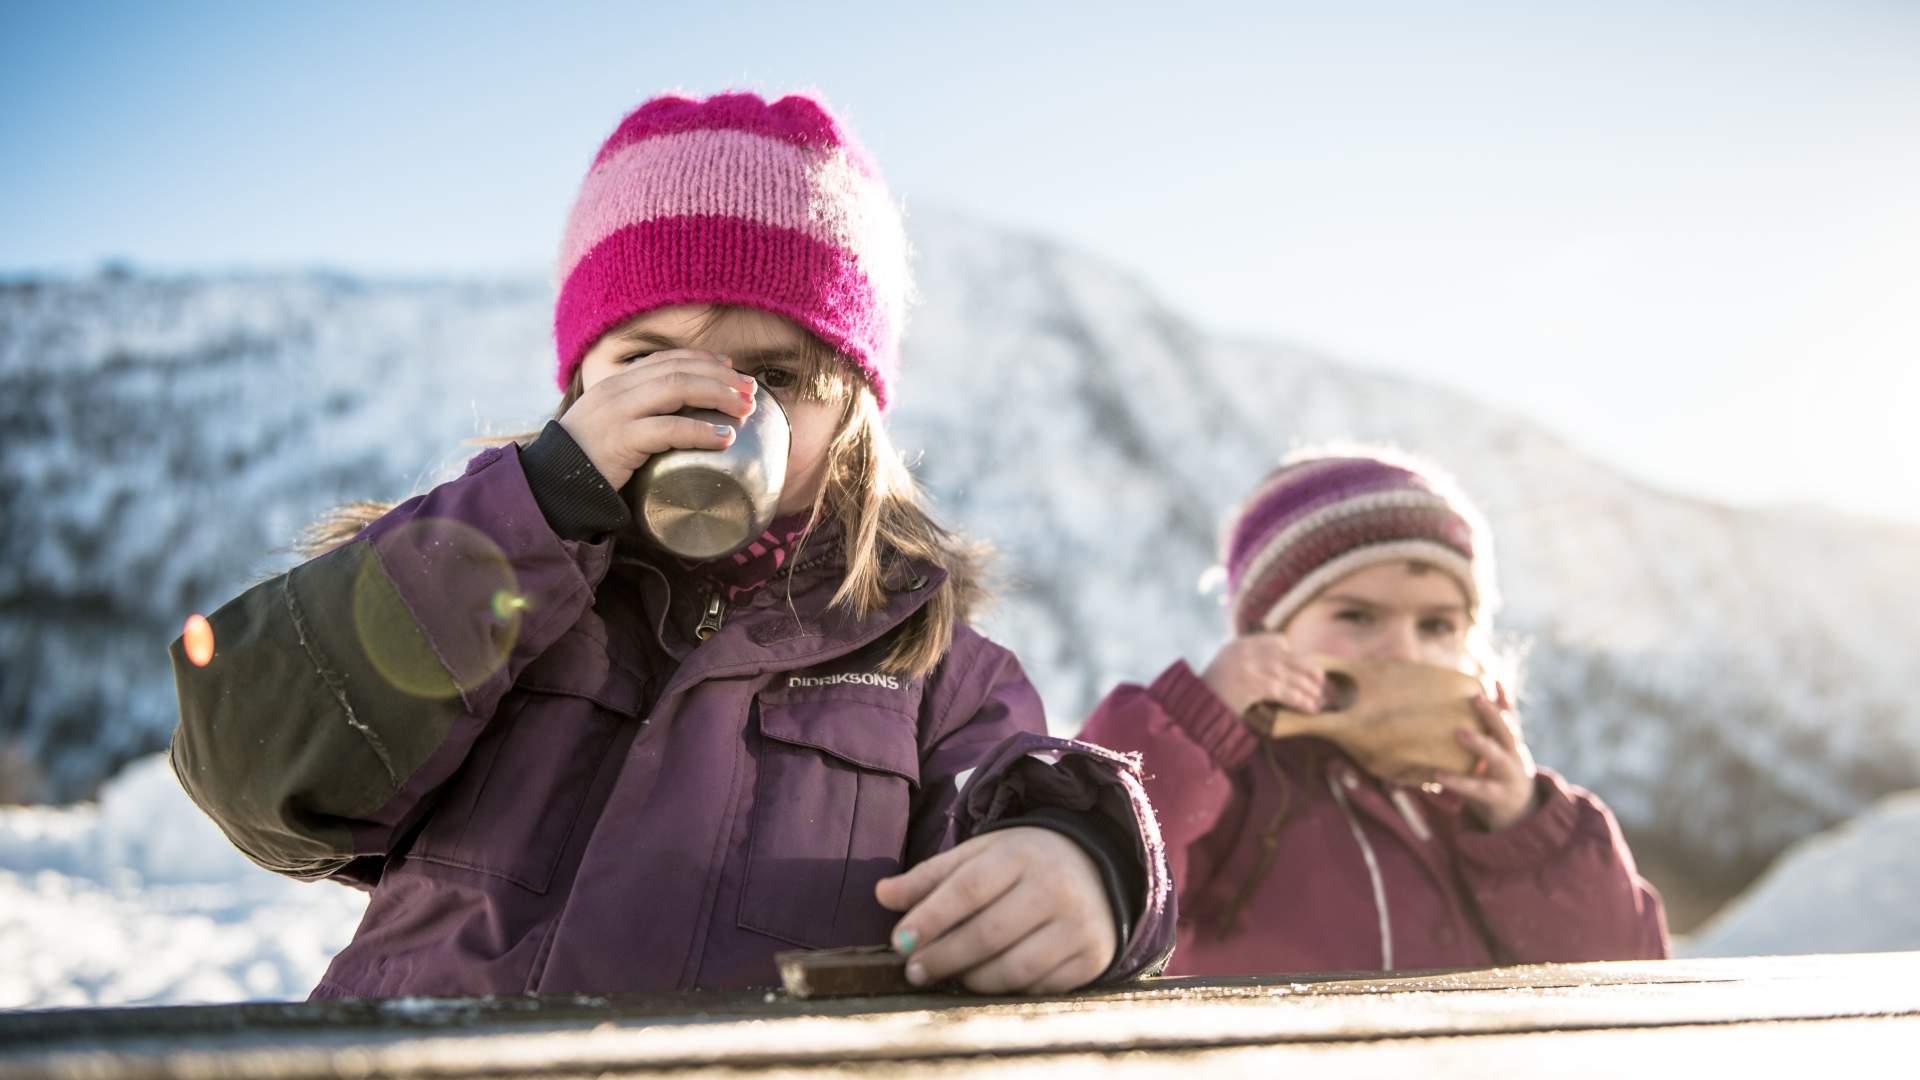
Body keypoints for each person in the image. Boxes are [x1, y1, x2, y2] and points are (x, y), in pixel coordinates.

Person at [169, 91, 1172, 998]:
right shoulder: (477, 571)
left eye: (776, 376)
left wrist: (1081, 856)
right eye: (648, 364)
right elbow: (254, 768)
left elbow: (1003, 798)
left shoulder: (927, 667)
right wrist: (539, 505)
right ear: (578, 385)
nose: (715, 410)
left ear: (857, 414)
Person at [1079, 448, 1667, 974]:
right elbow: (1107, 871)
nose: (1403, 650)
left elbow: (1623, 968)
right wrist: (1197, 721)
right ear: (1266, 633)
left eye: (1436, 625)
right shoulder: (1231, 782)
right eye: (1357, 616)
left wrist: (1524, 828)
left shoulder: (1473, 802)